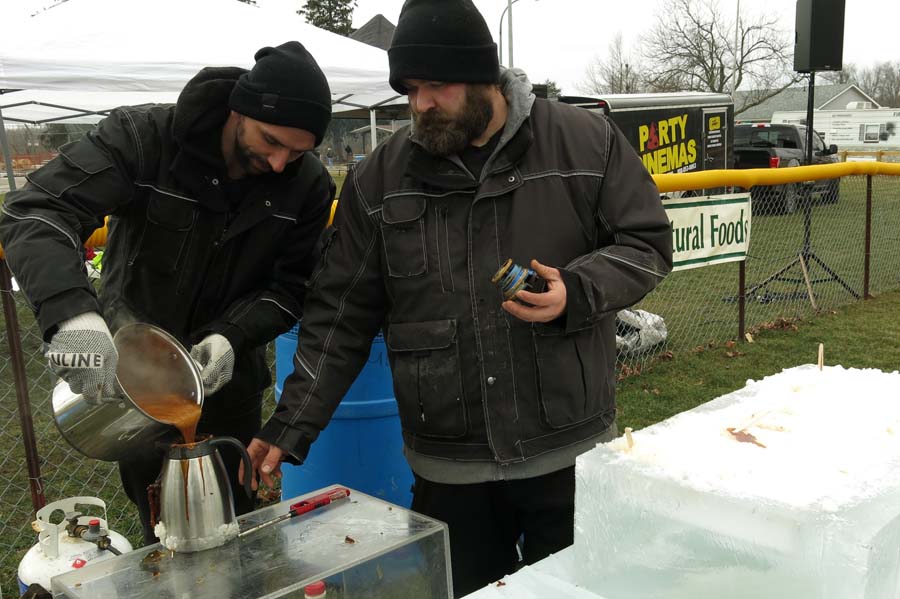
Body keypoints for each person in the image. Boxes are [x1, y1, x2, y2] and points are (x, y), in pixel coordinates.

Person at [245, 0, 672, 595]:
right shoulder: (381, 178)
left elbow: (646, 242)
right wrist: (290, 426)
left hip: (566, 448)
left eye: (436, 85)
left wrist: (577, 291)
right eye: (410, 89)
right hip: (450, 464)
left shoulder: (583, 142)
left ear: (484, 77)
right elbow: (339, 315)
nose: (420, 104)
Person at [0, 41, 336, 545]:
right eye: (271, 141)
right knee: (162, 531)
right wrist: (72, 315)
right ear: (239, 110)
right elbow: (38, 210)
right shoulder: (144, 140)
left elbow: (291, 288)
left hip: (226, 384)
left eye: (298, 152)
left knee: (237, 531)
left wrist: (230, 336)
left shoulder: (307, 186)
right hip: (131, 379)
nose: (280, 163)